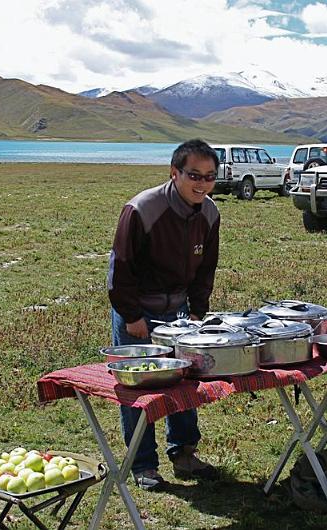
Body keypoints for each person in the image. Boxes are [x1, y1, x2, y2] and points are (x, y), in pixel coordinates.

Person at [107, 139, 221, 491]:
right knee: (139, 389)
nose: (202, 184)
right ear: (174, 173)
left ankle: (184, 453)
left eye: (209, 177)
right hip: (138, 311)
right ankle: (143, 464)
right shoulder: (142, 209)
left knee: (184, 382)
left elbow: (206, 269)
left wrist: (198, 313)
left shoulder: (210, 213)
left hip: (180, 313)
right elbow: (120, 268)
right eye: (194, 175)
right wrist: (132, 316)